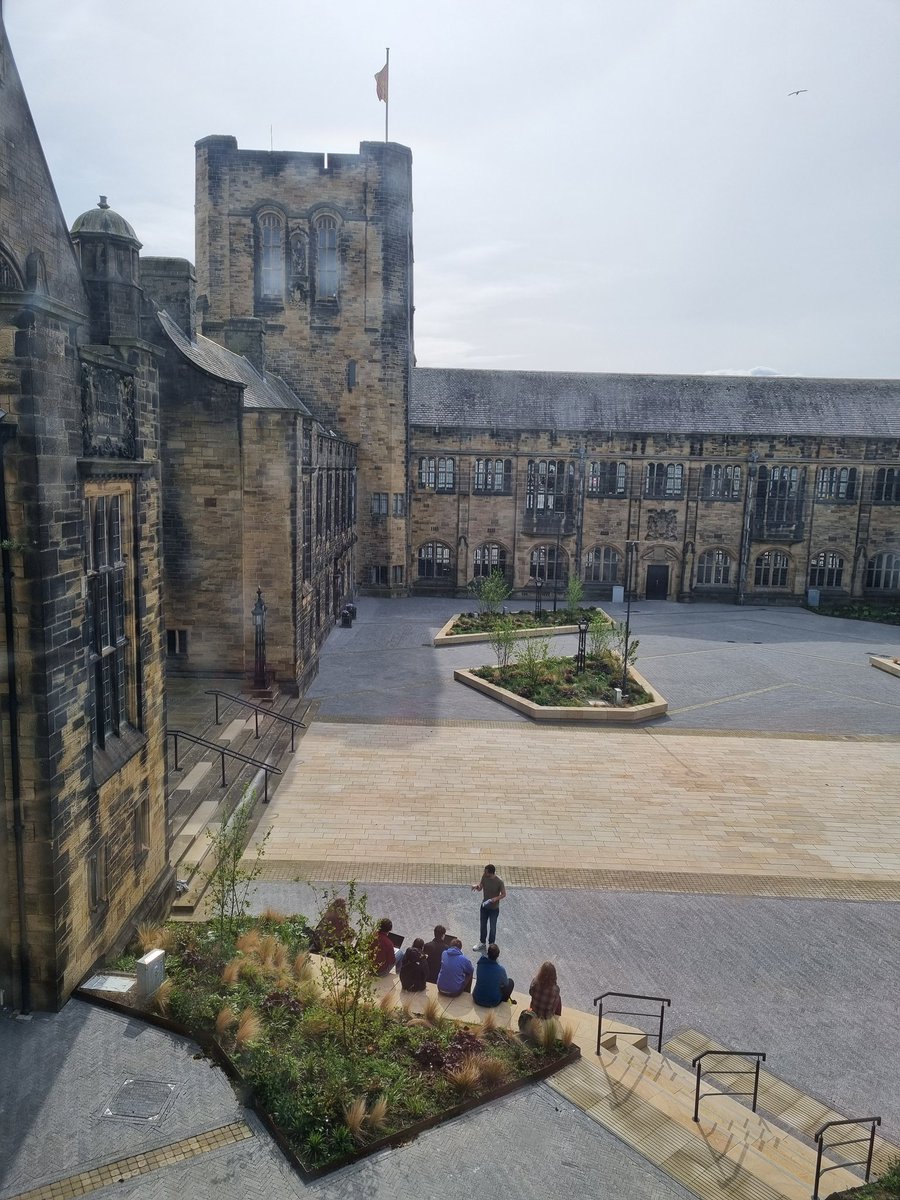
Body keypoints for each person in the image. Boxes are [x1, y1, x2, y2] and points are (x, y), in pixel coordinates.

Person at [471, 863, 506, 953]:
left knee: (492, 927)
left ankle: (491, 944)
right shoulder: (484, 876)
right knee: (483, 925)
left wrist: (496, 898)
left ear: (491, 873)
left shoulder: (499, 882)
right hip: (484, 906)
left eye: (486, 872)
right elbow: (480, 887)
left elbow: (503, 894)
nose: (484, 873)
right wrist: (476, 887)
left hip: (494, 909)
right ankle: (482, 942)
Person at [472, 943, 515, 1007]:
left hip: (477, 998)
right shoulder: (501, 970)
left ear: (487, 953)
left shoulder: (480, 964)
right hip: (492, 1002)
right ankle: (504, 1001)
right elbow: (506, 984)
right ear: (498, 956)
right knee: (510, 982)